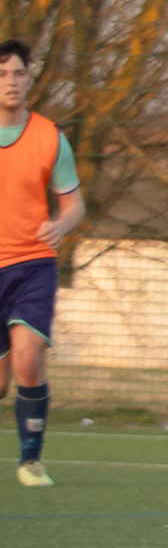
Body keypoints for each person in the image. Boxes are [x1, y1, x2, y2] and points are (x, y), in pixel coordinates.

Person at [0, 39, 85, 488]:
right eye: (2, 75)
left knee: (28, 360)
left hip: (33, 265)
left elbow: (74, 205)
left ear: (30, 78)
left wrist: (60, 225)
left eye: (18, 74)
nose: (11, 83)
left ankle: (30, 460)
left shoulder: (50, 137)